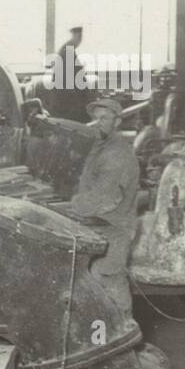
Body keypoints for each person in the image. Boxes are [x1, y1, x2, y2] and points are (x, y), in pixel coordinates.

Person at [55, 96, 139, 320]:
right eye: (96, 118)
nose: (99, 122)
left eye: (105, 118)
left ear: (117, 122)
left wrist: (71, 206)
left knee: (106, 279)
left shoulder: (117, 153)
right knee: (98, 286)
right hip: (101, 227)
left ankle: (124, 335)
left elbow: (105, 197)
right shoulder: (103, 145)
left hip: (114, 231)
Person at [43, 26, 91, 123]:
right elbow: (72, 73)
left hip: (64, 92)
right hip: (64, 95)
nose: (80, 40)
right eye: (79, 37)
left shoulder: (67, 48)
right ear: (75, 36)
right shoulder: (68, 49)